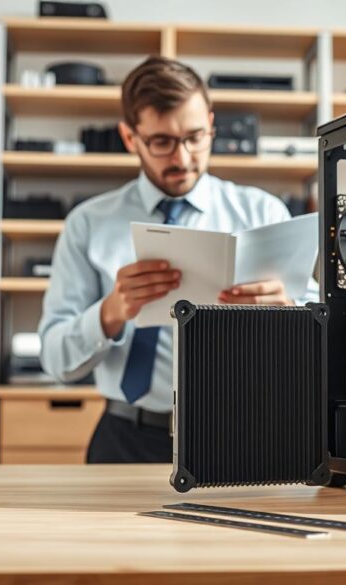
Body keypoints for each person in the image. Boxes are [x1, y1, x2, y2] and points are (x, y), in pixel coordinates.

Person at [38, 56, 318, 464]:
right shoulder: (87, 224)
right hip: (125, 441)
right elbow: (54, 359)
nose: (183, 158)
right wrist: (110, 313)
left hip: (240, 434)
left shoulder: (263, 213)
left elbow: (322, 330)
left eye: (195, 137)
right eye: (162, 142)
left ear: (211, 124)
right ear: (130, 138)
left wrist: (291, 313)